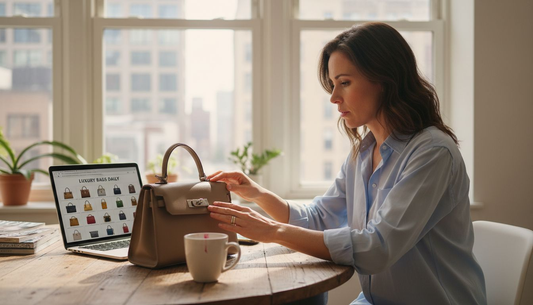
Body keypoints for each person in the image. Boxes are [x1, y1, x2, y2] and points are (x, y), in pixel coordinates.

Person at [207, 22, 486, 305]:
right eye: (332, 84)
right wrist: (258, 194)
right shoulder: (362, 155)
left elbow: (377, 248)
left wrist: (272, 232)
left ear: (385, 79)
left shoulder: (433, 153)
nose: (333, 97)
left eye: (345, 82)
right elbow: (320, 218)